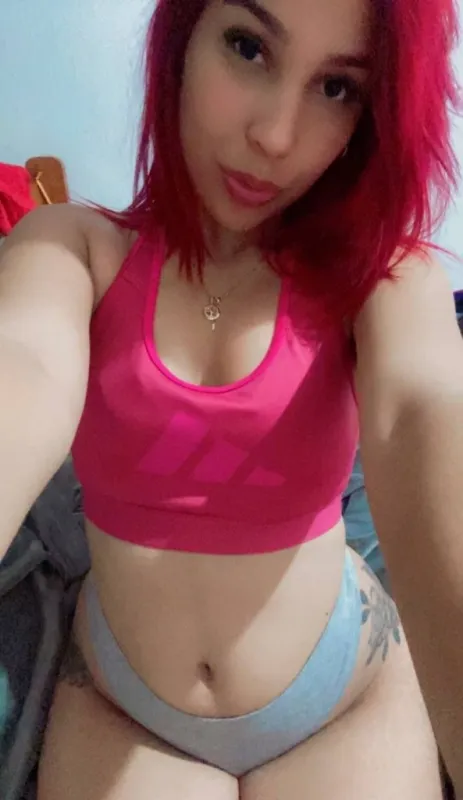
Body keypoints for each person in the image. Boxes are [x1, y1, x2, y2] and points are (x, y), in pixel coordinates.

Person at [0, 0, 462, 797]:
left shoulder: (383, 279)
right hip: (126, 709)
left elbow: (422, 410)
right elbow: (24, 365)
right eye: (248, 47)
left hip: (338, 703)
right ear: (182, 40)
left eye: (337, 88)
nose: (275, 136)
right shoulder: (71, 247)